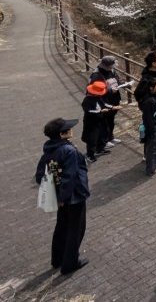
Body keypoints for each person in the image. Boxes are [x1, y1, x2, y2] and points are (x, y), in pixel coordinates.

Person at [35, 118, 90, 275]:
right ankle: (70, 263)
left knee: (62, 226)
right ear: (62, 134)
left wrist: (57, 194)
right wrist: (63, 198)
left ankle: (57, 259)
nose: (71, 130)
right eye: (68, 129)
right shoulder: (68, 150)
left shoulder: (50, 148)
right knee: (76, 229)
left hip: (61, 196)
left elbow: (40, 175)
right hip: (74, 196)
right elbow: (69, 176)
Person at [81, 80, 115, 162]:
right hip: (91, 122)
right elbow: (88, 111)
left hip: (100, 120)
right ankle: (90, 155)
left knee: (103, 134)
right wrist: (100, 111)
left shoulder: (98, 97)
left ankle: (100, 148)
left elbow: (104, 104)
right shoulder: (87, 100)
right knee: (92, 139)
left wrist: (112, 107)